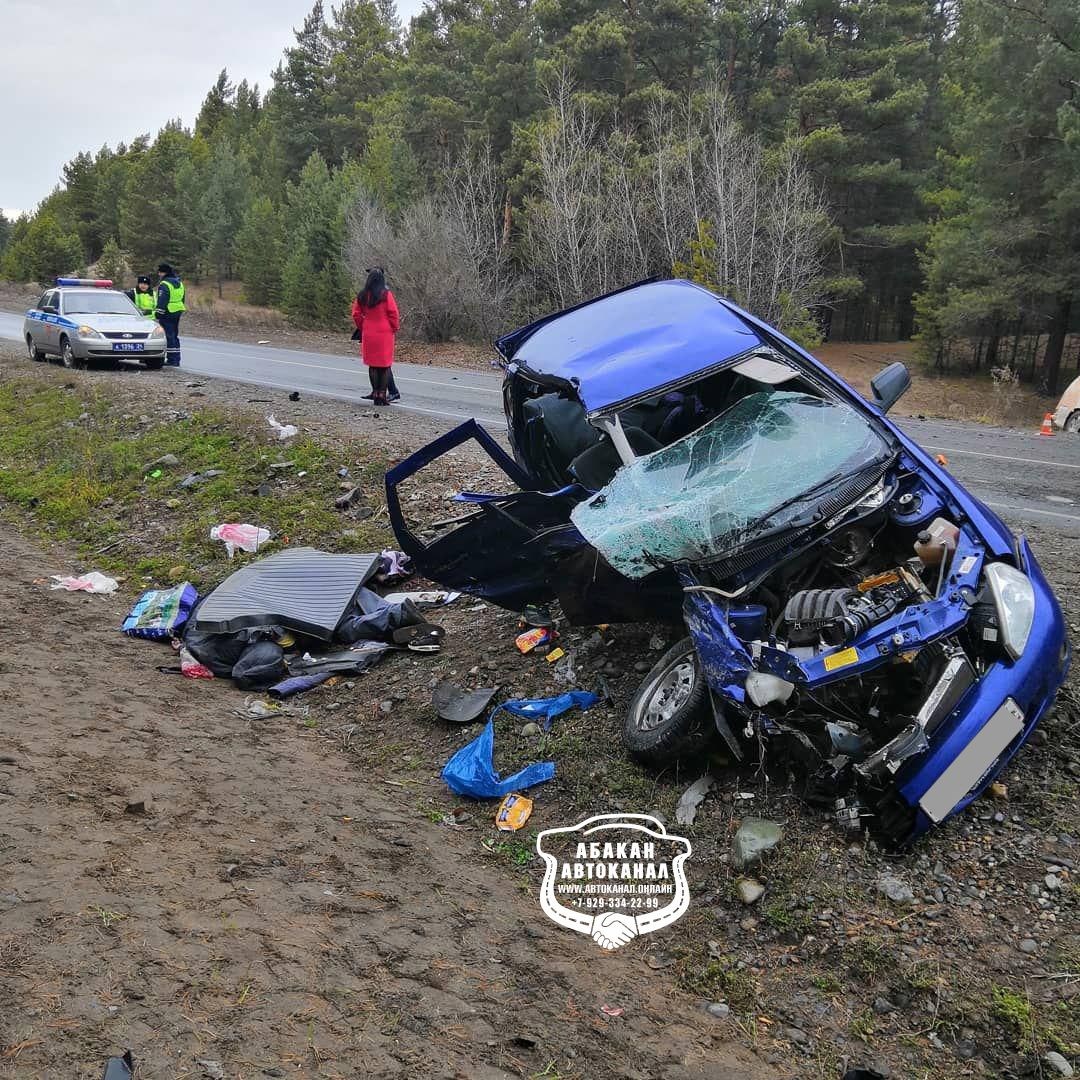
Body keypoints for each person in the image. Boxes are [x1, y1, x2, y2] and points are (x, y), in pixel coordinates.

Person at [351, 268, 400, 405]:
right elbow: (393, 313)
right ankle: (382, 395)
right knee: (384, 366)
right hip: (384, 332)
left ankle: (375, 391)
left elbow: (356, 313)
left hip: (369, 331)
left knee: (372, 365)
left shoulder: (362, 295)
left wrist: (363, 325)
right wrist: (394, 327)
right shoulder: (385, 294)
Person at [155, 262, 186, 367]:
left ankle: (172, 360)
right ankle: (177, 359)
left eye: (160, 272)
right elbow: (183, 297)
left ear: (163, 273)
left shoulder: (165, 284)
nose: (159, 274)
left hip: (168, 312)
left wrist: (158, 313)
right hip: (178, 311)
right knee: (174, 335)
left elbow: (163, 299)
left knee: (169, 336)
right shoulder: (179, 283)